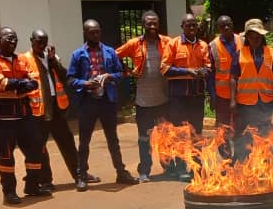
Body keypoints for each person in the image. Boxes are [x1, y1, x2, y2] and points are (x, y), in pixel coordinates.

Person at [67, 20, 139, 191]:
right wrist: (85, 83)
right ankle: (82, 175)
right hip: (88, 102)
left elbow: (121, 73)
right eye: (92, 32)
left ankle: (121, 172)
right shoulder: (78, 54)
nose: (95, 35)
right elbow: (70, 79)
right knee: (84, 141)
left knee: (113, 139)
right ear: (85, 32)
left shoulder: (109, 52)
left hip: (107, 100)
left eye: (98, 32)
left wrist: (109, 76)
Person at [0, 27, 49, 205]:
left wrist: (17, 86)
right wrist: (21, 85)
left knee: (37, 148)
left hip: (24, 115)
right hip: (3, 118)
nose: (13, 41)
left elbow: (34, 82)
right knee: (5, 156)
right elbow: (1, 83)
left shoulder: (22, 59)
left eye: (15, 39)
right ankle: (9, 191)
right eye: (9, 38)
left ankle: (32, 185)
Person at [21, 29, 82, 187]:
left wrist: (53, 60)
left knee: (67, 142)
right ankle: (45, 180)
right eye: (38, 41)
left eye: (44, 42)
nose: (42, 45)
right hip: (39, 110)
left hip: (56, 107)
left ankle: (79, 174)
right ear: (31, 40)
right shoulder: (24, 59)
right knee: (40, 147)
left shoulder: (52, 58)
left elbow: (64, 76)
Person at [116, 11, 171, 183]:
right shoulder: (134, 44)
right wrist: (126, 70)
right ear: (143, 25)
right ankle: (144, 170)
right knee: (144, 138)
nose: (152, 26)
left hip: (164, 99)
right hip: (144, 102)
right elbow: (115, 55)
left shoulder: (167, 42)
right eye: (149, 23)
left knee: (165, 136)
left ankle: (168, 168)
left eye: (155, 23)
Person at [161, 14, 212, 182]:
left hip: (196, 97)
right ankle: (182, 167)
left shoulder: (203, 45)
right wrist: (187, 71)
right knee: (180, 133)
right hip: (178, 97)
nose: (191, 28)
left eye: (194, 25)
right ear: (182, 26)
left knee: (196, 133)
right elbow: (165, 69)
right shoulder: (173, 44)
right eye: (188, 25)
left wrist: (203, 71)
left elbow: (208, 66)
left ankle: (197, 166)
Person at [230, 19, 273, 162]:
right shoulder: (239, 54)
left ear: (262, 36)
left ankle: (263, 162)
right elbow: (233, 78)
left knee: (264, 133)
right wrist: (233, 100)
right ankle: (241, 163)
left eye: (258, 35)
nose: (255, 38)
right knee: (242, 134)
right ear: (247, 37)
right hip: (245, 103)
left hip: (265, 101)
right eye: (252, 35)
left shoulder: (270, 53)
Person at [208, 15, 243, 157]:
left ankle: (239, 159)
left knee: (240, 127)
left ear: (232, 25)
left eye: (228, 25)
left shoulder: (242, 41)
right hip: (221, 95)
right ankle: (226, 159)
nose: (226, 28)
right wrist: (212, 95)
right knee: (222, 129)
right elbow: (210, 74)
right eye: (223, 26)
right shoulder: (213, 46)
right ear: (218, 28)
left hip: (242, 94)